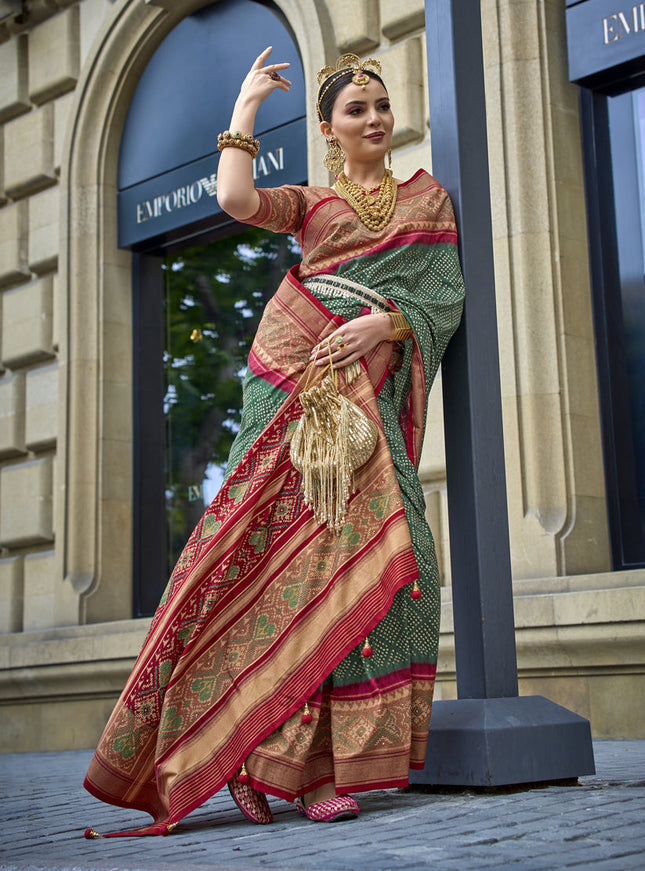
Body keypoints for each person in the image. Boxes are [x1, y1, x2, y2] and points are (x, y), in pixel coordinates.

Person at [83, 47, 465, 837]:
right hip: (294, 380)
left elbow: (443, 292)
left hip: (366, 389)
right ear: (328, 128)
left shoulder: (428, 199)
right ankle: (262, 761)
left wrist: (387, 323)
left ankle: (314, 759)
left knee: (396, 560)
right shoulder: (313, 203)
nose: (374, 119)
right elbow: (233, 197)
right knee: (270, 559)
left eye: (381, 106)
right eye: (355, 110)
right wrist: (246, 108)